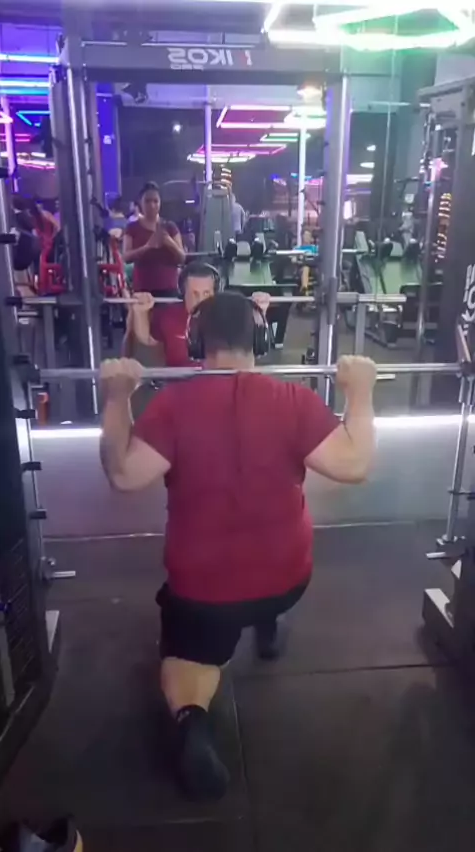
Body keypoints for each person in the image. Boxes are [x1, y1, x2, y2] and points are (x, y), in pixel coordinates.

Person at [100, 292, 376, 800]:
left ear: (197, 343)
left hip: (204, 595)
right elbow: (354, 464)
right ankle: (266, 621)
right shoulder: (294, 401)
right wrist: (359, 392)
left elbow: (123, 474)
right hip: (287, 579)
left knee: (188, 659)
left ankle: (192, 719)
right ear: (261, 341)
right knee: (264, 571)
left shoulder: (173, 406)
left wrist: (117, 397)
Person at [123, 263, 270, 418]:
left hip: (222, 391)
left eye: (206, 293)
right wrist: (140, 313)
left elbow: (251, 343)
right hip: (182, 392)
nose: (201, 300)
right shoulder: (168, 317)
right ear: (183, 294)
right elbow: (146, 339)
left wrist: (260, 311)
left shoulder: (228, 316)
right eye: (194, 294)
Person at [123, 182, 185, 296]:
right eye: (147, 201)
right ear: (140, 202)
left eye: (155, 201)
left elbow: (182, 258)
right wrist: (147, 247)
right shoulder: (132, 228)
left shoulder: (170, 227)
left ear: (160, 202)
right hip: (142, 291)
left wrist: (169, 243)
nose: (152, 205)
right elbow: (126, 257)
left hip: (169, 290)